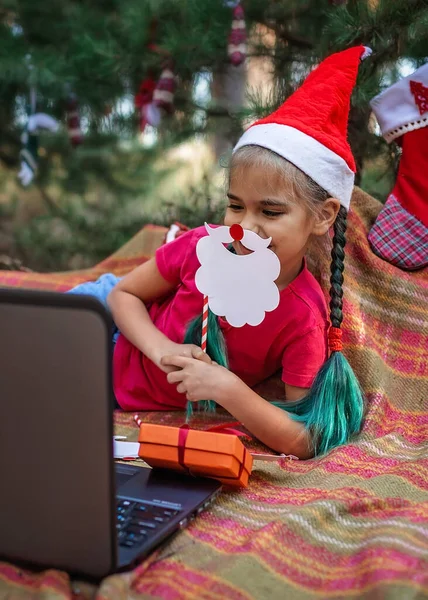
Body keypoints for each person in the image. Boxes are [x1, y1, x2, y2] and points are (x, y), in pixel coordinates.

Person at [73, 46, 369, 458]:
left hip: (120, 392)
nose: (244, 227)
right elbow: (122, 294)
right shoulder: (201, 247)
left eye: (270, 210)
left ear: (322, 216)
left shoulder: (303, 319)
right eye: (235, 205)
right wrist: (163, 350)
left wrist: (228, 389)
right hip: (108, 331)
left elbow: (304, 439)